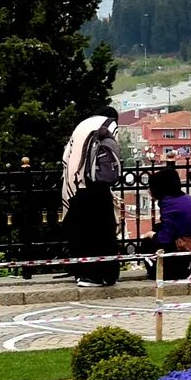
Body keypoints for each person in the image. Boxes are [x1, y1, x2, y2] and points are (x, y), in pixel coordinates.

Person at [60, 113, 122, 289]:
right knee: (104, 232)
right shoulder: (108, 125)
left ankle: (87, 273)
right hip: (99, 188)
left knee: (85, 232)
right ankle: (106, 274)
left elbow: (68, 158)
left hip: (80, 187)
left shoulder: (83, 126)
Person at [145, 164, 191, 284]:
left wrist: (150, 235)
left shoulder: (169, 204)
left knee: (149, 242)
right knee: (157, 228)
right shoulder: (181, 198)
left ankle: (165, 270)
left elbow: (165, 238)